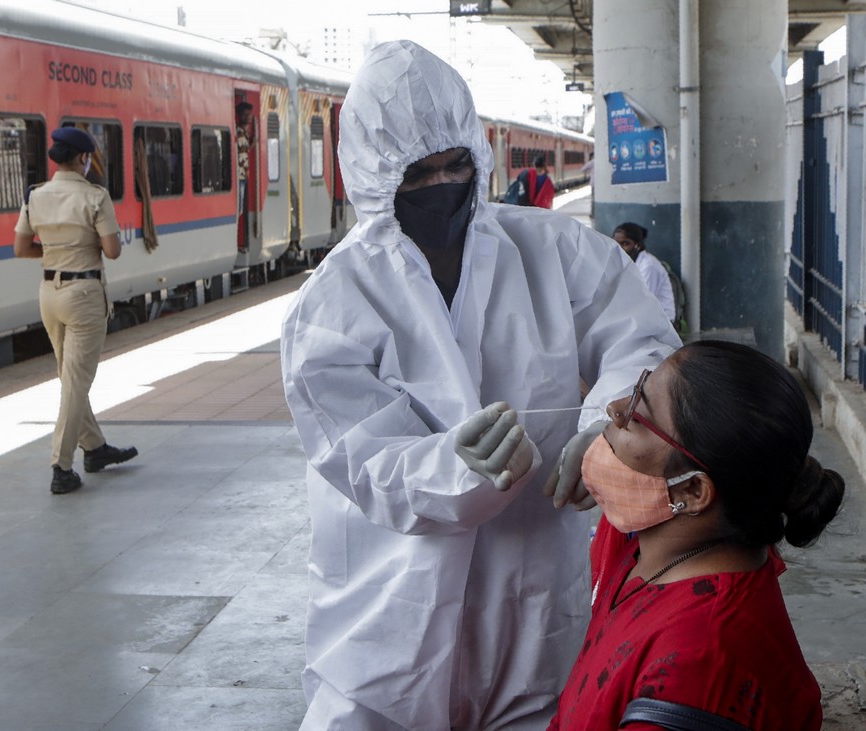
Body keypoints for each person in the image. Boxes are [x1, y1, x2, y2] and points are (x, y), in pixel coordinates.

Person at [280, 40, 681, 730]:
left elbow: (639, 338)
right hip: (386, 617)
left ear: (478, 155)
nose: (443, 184)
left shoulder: (550, 249)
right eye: (418, 173)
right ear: (374, 175)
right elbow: (358, 454)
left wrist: (605, 430)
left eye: (455, 163)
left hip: (531, 602)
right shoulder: (333, 303)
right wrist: (449, 467)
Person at [547, 340, 845, 731]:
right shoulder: (645, 542)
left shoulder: (697, 670)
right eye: (638, 386)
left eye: (638, 414)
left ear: (692, 492)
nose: (614, 409)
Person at [13, 127, 138, 494]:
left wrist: (54, 254)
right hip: (84, 295)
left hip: (49, 293)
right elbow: (112, 250)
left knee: (70, 378)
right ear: (83, 158)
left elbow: (21, 248)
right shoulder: (95, 196)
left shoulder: (36, 195)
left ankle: (95, 448)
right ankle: (61, 467)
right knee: (75, 383)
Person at [613, 222, 676, 325]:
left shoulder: (649, 266)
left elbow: (642, 303)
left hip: (662, 324)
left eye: (625, 244)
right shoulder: (625, 264)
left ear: (638, 245)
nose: (619, 249)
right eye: (616, 244)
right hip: (641, 319)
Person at [235, 101, 253, 251]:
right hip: (239, 177)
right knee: (238, 209)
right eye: (245, 115)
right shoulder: (239, 132)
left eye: (249, 115)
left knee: (240, 209)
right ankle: (234, 241)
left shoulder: (244, 133)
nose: (248, 117)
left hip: (243, 176)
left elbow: (244, 152)